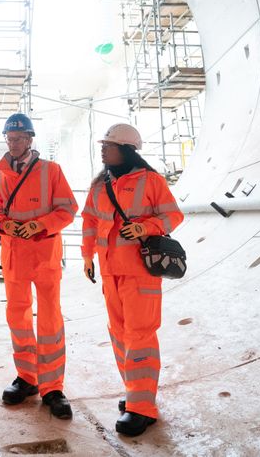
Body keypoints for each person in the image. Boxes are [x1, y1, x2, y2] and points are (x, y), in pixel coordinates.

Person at [80, 123, 184, 437]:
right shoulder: (100, 185)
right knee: (120, 334)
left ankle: (142, 408)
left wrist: (145, 227)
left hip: (140, 272)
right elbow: (89, 220)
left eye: (108, 145)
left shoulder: (151, 181)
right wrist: (87, 256)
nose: (102, 149)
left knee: (139, 335)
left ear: (125, 149)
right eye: (102, 144)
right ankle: (136, 394)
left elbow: (173, 216)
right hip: (110, 271)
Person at [0, 113, 77, 420]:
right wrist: (5, 226)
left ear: (30, 139)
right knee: (18, 317)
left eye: (19, 138)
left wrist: (39, 225)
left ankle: (53, 387)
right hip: (14, 256)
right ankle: (27, 378)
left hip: (44, 254)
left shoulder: (51, 171)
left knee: (50, 319)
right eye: (9, 139)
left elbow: (67, 210)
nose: (13, 144)